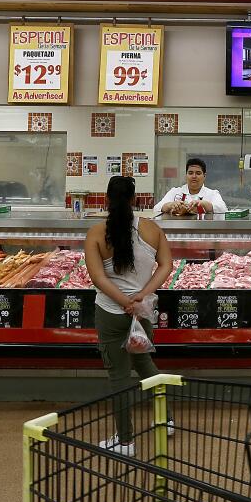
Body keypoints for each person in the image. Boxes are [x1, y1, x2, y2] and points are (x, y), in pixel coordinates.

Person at [84, 175, 175, 457]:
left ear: (107, 200)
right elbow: (166, 265)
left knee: (119, 377)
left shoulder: (96, 234)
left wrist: (125, 301)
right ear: (135, 200)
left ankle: (125, 441)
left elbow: (98, 278)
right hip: (142, 312)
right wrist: (141, 296)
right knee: (144, 363)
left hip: (111, 313)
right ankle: (166, 419)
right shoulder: (152, 229)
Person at [153, 158, 227, 216]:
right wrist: (171, 205)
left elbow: (223, 209)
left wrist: (204, 204)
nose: (194, 176)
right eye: (190, 173)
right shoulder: (175, 192)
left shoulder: (212, 194)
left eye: (198, 173)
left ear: (204, 176)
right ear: (186, 175)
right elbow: (156, 209)